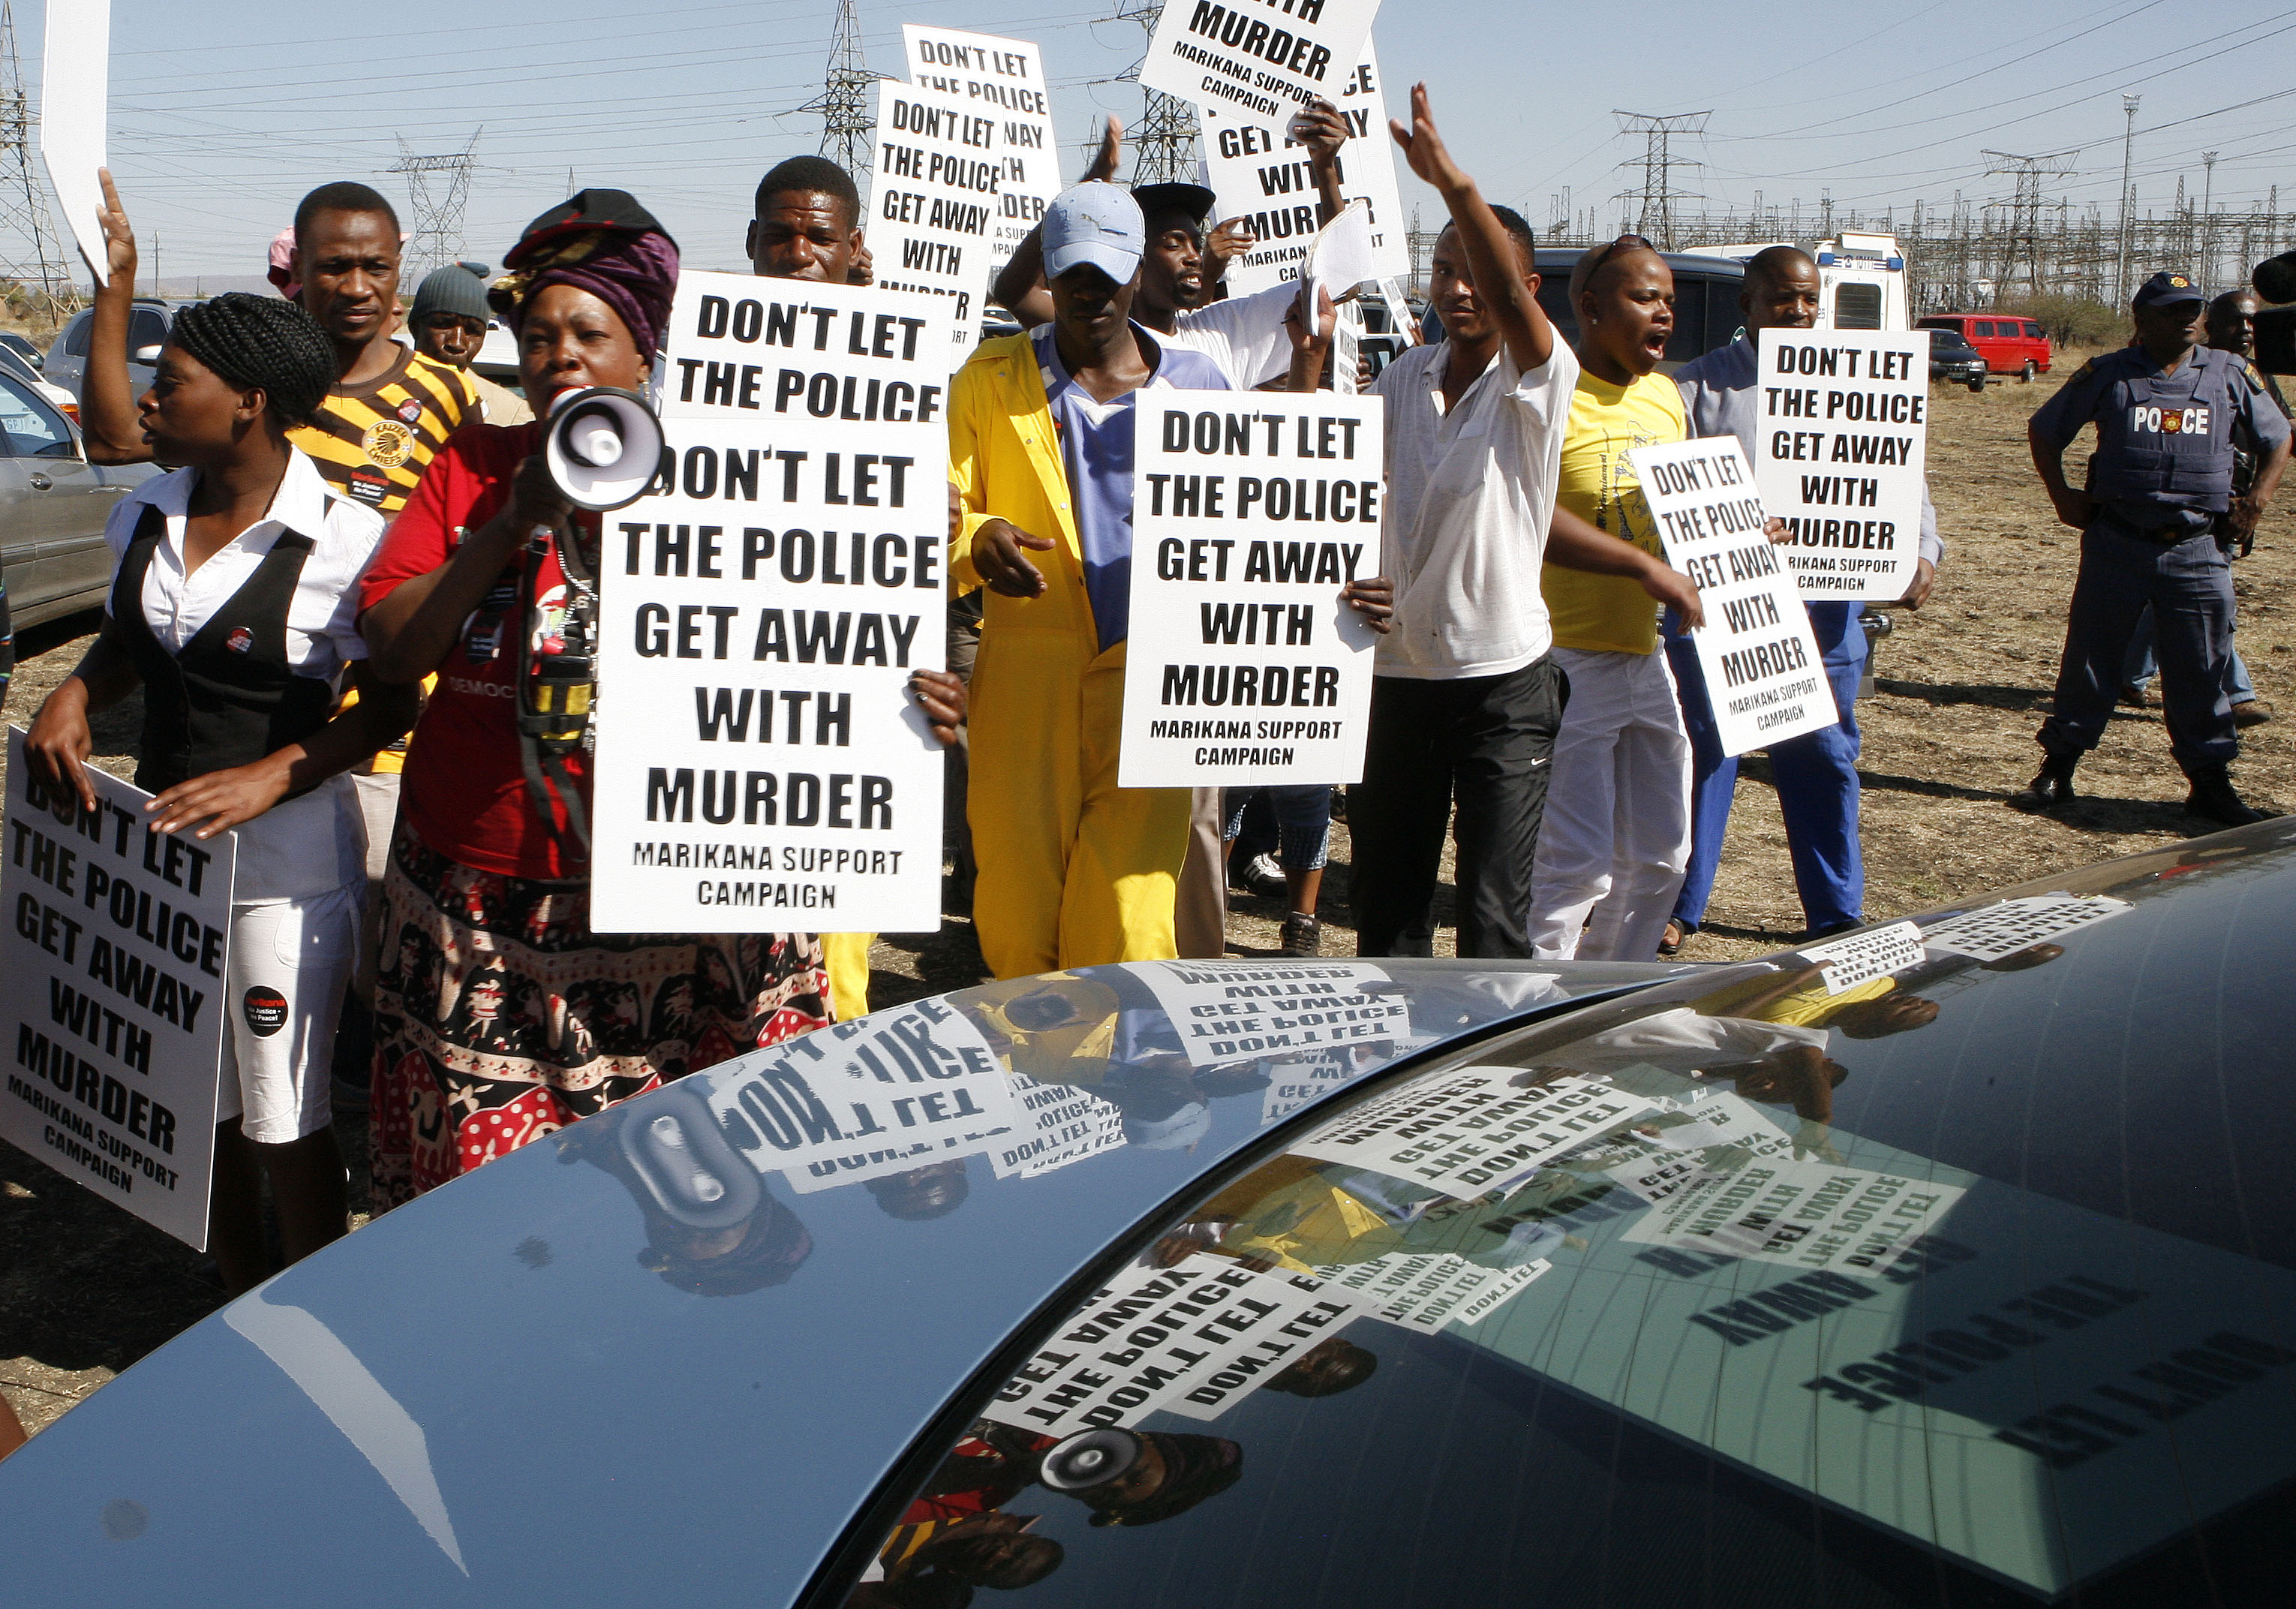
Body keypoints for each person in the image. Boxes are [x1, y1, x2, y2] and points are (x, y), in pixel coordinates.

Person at [354, 191, 885, 1205]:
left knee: (688, 1190)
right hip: (488, 903)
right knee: (498, 1209)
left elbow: (823, 656)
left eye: (590, 334)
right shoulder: (474, 468)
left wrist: (902, 702)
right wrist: (509, 524)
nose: (561, 356)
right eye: (540, 334)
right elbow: (392, 648)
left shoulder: (734, 479)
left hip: (687, 906)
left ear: (644, 353)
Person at [24, 293, 417, 1295]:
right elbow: (131, 642)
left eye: (174, 382)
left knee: (286, 1109)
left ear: (248, 402)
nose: (149, 401)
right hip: (160, 862)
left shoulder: (345, 542)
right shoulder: (143, 514)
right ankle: (240, 1296)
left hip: (285, 867)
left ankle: (321, 1313)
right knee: (205, 1103)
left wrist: (276, 772)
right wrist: (72, 691)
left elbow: (383, 713)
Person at [951, 183, 1383, 979]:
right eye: (1072, 273)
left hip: (1155, 686)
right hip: (1024, 677)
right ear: (1049, 269)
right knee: (1016, 916)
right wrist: (979, 540)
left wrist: (1338, 592)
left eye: (1107, 273)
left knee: (1127, 919)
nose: (1089, 292)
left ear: (1136, 273)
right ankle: (1033, 1086)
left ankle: (1109, 1091)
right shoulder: (991, 375)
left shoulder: (1199, 386)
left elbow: (1270, 536)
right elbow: (941, 507)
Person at [1353, 86, 1700, 959]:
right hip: (1397, 675)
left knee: (1495, 917)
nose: (1458, 287)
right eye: (1442, 271)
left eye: (1476, 270)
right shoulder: (1403, 379)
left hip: (1502, 685)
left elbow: (1508, 302)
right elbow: (1347, 495)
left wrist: (1454, 187)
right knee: (1390, 911)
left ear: (1525, 289)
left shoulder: (1539, 380)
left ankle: (1481, 1084)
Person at [1660, 246, 1946, 952]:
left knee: (1821, 754)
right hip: (1723, 607)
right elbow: (1670, 495)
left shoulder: (1860, 381)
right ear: (1746, 307)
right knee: (1705, 754)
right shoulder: (1696, 389)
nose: (1799, 311)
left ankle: (1835, 913)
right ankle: (1678, 906)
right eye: (1783, 298)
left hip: (1827, 612)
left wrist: (1920, 553)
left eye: (1809, 298)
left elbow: (1900, 483)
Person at [2016, 270, 2290, 825]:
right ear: (2142, 320)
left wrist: (2257, 499)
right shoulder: (2110, 374)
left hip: (2197, 547)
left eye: (2194, 309)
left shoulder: (2229, 374)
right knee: (2091, 659)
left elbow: (2279, 436)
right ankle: (2058, 768)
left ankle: (2210, 782)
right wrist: (2063, 497)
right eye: (2173, 310)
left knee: (2202, 666)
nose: (2189, 319)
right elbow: (2045, 430)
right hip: (2118, 542)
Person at [79, 173, 478, 516]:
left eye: (377, 268)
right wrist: (116, 286)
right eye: (334, 267)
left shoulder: (448, 392)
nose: (358, 289)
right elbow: (113, 445)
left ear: (397, 264)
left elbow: (467, 522)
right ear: (299, 264)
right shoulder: (250, 382)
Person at [1522, 237, 1693, 962]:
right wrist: (1642, 569)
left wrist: (1741, 534)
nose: (1663, 316)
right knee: (1573, 867)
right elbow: (1527, 512)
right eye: (1645, 298)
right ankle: (1533, 1010)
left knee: (1662, 856)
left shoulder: (1665, 396)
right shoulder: (1547, 392)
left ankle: (1606, 996)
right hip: (1564, 661)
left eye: (1671, 304)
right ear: (1590, 307)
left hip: (1644, 657)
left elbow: (1680, 507)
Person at [2120, 287, 2286, 726]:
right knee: (2212, 606)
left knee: (2169, 599)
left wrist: (2256, 500)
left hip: (2236, 508)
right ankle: (2236, 693)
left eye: (2254, 322)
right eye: (2237, 321)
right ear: (2211, 325)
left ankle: (2128, 674)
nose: (2247, 331)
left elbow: (2281, 433)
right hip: (2195, 512)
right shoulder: (2181, 370)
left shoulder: (2252, 374)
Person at [409, 260, 533, 426]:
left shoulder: (510, 415)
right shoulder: (377, 391)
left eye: (472, 331)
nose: (457, 343)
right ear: (415, 327)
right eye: (444, 324)